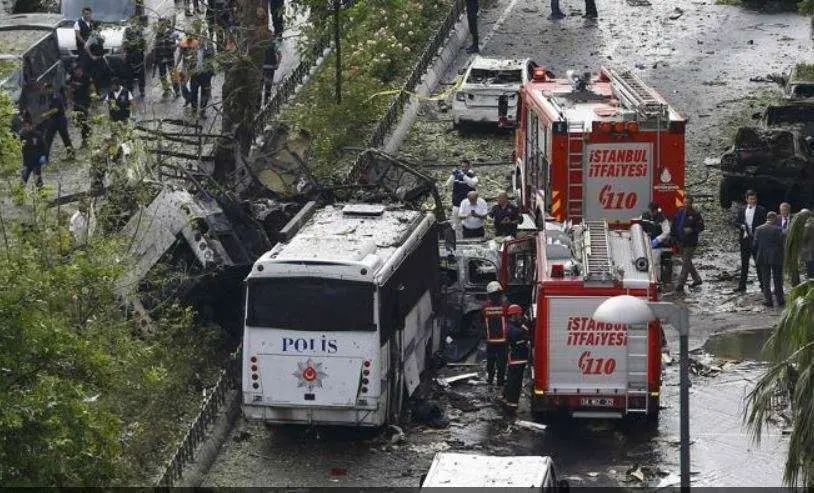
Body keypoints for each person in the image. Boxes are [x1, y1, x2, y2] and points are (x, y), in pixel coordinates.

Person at [733, 190, 767, 293]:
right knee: (744, 263)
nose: (753, 201)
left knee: (759, 263)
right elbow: (736, 222)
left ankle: (763, 285)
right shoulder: (742, 209)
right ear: (746, 199)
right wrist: (741, 226)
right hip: (744, 239)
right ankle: (742, 285)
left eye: (754, 199)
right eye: (751, 199)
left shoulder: (761, 209)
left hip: (756, 240)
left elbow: (764, 223)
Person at [672, 195, 704, 294]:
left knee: (685, 263)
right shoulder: (679, 212)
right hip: (680, 241)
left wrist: (692, 230)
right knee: (687, 261)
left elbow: (701, 227)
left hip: (690, 242)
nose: (686, 204)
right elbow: (674, 225)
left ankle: (680, 284)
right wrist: (673, 237)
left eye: (688, 203)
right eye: (685, 202)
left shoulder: (695, 214)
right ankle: (697, 279)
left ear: (691, 203)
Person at [502, 304, 530, 413]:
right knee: (515, 383)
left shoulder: (511, 326)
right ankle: (511, 406)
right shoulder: (515, 331)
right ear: (515, 315)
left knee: (510, 381)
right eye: (519, 314)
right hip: (517, 359)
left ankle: (506, 400)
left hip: (514, 359)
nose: (521, 316)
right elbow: (523, 343)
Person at [754, 211, 785, 308]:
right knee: (777, 278)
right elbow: (781, 244)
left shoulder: (758, 229)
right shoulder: (779, 230)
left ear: (767, 218)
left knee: (765, 279)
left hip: (763, 256)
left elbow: (755, 244)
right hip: (776, 257)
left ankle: (768, 300)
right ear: (775, 219)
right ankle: (780, 299)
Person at [482, 281, 508, 387]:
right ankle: (499, 382)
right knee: (501, 363)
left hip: (491, 341)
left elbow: (481, 323)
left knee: (491, 362)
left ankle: (490, 380)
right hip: (502, 342)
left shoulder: (485, 307)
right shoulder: (505, 306)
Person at [641, 201, 673, 285]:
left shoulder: (662, 218)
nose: (652, 213)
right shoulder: (644, 216)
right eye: (651, 211)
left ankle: (656, 281)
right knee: (645, 262)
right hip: (645, 243)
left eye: (653, 211)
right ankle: (645, 280)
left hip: (656, 245)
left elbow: (666, 231)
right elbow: (639, 227)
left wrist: (658, 240)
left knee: (655, 264)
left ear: (656, 210)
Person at [445, 158, 478, 235]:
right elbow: (447, 185)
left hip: (468, 206)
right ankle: (458, 242)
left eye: (465, 167)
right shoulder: (457, 174)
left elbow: (472, 184)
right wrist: (452, 175)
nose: (464, 168)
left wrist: (464, 176)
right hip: (456, 204)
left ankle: (469, 241)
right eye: (462, 166)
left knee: (468, 225)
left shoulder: (472, 175)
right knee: (456, 226)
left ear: (469, 167)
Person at [42, 84, 74, 160]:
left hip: (60, 120)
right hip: (54, 120)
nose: (47, 91)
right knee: (48, 139)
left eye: (48, 89)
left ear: (51, 88)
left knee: (65, 138)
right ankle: (45, 158)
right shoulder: (50, 97)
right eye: (46, 89)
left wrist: (46, 114)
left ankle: (71, 155)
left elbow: (55, 109)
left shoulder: (56, 96)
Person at [153, 18, 181, 98]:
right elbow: (155, 48)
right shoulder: (157, 35)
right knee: (162, 75)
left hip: (169, 58)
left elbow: (177, 42)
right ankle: (166, 90)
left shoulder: (171, 33)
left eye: (162, 24)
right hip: (160, 59)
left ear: (165, 25)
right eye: (160, 25)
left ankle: (177, 90)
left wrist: (174, 46)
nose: (161, 26)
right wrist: (155, 61)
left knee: (173, 74)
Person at [68, 62, 92, 147]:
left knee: (83, 120)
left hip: (85, 101)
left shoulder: (86, 77)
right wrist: (70, 100)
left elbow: (91, 88)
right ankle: (88, 129)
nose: (75, 72)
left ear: (80, 69)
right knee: (78, 121)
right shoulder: (73, 78)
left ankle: (85, 140)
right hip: (77, 101)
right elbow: (70, 89)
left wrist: (92, 100)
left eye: (76, 70)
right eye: (74, 71)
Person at [19, 114, 46, 187]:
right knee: (24, 178)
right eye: (26, 126)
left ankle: (42, 194)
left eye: (29, 126)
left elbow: (43, 146)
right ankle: (20, 195)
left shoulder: (37, 134)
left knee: (37, 178)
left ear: (32, 125)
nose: (28, 128)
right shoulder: (22, 134)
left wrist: (43, 155)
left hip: (36, 161)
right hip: (27, 161)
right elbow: (21, 147)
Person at [122, 26, 147, 99]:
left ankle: (142, 90)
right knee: (129, 78)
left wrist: (141, 48)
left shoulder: (140, 38)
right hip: (130, 61)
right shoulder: (126, 40)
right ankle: (130, 92)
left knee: (141, 77)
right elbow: (124, 47)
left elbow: (144, 47)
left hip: (139, 60)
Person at [262, 33, 282, 105]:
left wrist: (277, 64)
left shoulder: (262, 43)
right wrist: (277, 64)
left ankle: (265, 103)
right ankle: (266, 102)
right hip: (269, 67)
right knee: (268, 85)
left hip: (265, 67)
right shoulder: (274, 44)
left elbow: (279, 54)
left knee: (264, 85)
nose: (273, 37)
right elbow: (280, 54)